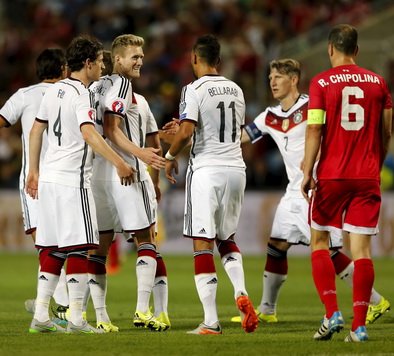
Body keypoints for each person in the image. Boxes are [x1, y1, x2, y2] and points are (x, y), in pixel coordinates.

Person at [231, 59, 390, 324]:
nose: (272, 82)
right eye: (270, 77)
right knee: (276, 246)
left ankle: (376, 301)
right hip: (292, 191)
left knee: (328, 251)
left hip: (316, 187)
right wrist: (205, 137)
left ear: (294, 79)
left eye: (278, 77)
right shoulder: (269, 116)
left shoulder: (312, 105)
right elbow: (241, 136)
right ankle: (268, 310)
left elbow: (336, 132)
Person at [25, 34, 136, 334]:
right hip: (74, 181)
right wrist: (120, 162)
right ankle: (76, 319)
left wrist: (33, 170)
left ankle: (41, 316)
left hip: (49, 178)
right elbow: (89, 133)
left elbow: (36, 131)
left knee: (52, 249)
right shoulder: (82, 94)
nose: (102, 67)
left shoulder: (53, 90)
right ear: (87, 63)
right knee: (78, 248)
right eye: (100, 62)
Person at [0, 48, 71, 313]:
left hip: (35, 180)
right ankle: (57, 305)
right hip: (68, 178)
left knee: (45, 245)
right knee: (71, 245)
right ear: (64, 69)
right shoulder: (75, 94)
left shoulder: (25, 96)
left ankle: (62, 308)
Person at [301, 24, 393, 342]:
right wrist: (375, 166)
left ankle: (332, 313)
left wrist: (307, 170)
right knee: (362, 251)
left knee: (320, 242)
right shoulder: (379, 83)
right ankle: (359, 326)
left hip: (332, 174)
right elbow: (387, 132)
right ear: (356, 50)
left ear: (330, 50)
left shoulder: (321, 82)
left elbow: (314, 129)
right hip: (367, 175)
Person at [164, 34, 258, 335]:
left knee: (202, 243)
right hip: (236, 169)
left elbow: (188, 132)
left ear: (194, 58)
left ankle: (210, 321)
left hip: (207, 170)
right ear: (219, 60)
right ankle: (240, 291)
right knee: (226, 237)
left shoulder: (192, 88)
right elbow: (224, 128)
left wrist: (169, 153)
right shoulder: (236, 89)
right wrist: (184, 129)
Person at [88, 35, 168, 332]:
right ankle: (141, 311)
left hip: (97, 174)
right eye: (135, 56)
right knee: (146, 240)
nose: (140, 61)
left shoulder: (95, 86)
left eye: (142, 56)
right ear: (117, 60)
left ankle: (102, 318)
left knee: (99, 248)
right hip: (126, 173)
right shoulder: (122, 84)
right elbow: (112, 129)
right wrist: (138, 153)